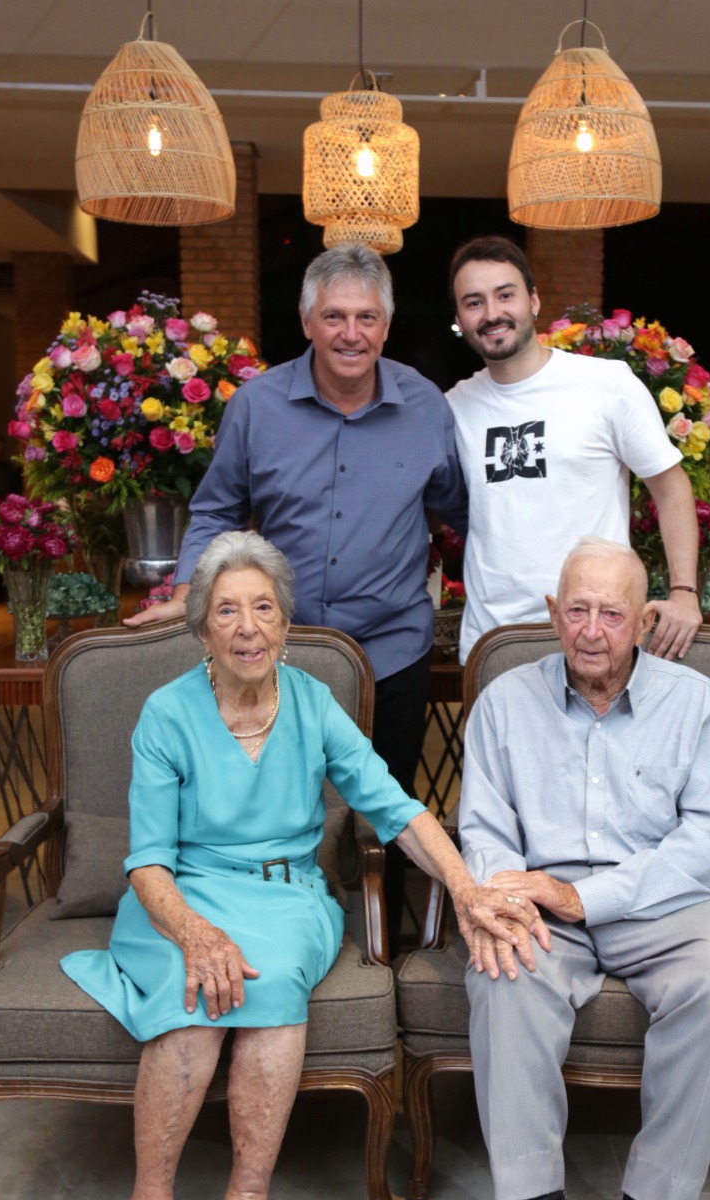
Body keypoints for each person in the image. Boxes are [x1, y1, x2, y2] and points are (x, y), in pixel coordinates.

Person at [64, 532, 546, 1200]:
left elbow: (394, 807)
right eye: (227, 610)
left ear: (286, 626)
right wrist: (194, 932)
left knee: (272, 975)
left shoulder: (314, 704)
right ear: (202, 630)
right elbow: (147, 862)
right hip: (178, 899)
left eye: (263, 608)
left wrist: (464, 887)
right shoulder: (166, 714)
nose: (248, 625)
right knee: (195, 997)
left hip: (288, 898)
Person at [458, 537, 710, 1200]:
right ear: (552, 614)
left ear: (644, 620)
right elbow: (486, 830)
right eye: (576, 610)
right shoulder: (503, 702)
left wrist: (585, 896)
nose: (591, 630)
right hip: (540, 895)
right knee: (505, 973)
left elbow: (708, 848)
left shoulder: (699, 706)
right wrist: (504, 898)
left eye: (611, 612)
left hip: (664, 900)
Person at [126, 244, 470, 943]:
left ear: (387, 323)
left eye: (367, 316)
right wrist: (193, 593)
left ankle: (386, 948)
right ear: (307, 321)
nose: (352, 332)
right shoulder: (258, 406)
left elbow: (460, 513)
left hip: (391, 649)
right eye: (335, 315)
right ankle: (292, 925)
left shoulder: (426, 407)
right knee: (283, 803)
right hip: (283, 650)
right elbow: (218, 508)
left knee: (385, 803)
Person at [446, 235, 703, 664]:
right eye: (474, 302)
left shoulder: (606, 384)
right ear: (459, 317)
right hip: (494, 641)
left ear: (533, 300)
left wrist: (684, 592)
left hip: (597, 634)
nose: (492, 313)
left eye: (505, 295)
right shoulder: (453, 407)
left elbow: (671, 487)